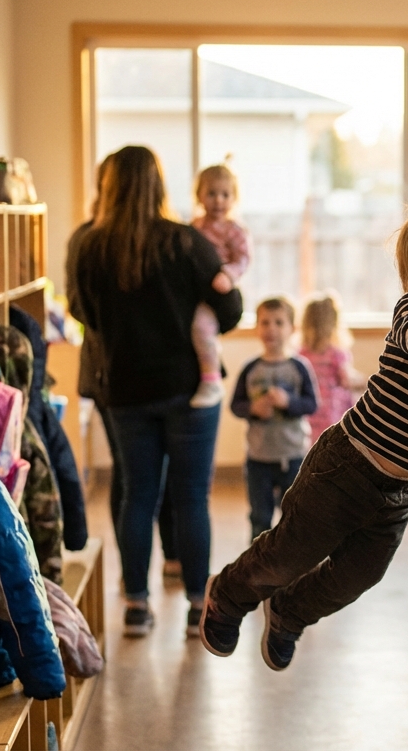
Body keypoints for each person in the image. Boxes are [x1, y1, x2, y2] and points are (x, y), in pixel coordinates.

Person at [200, 201, 408, 672]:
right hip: (348, 466)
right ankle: (228, 594)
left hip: (401, 489)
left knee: (360, 574)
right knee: (290, 553)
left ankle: (289, 613)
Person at [67, 145, 243, 637]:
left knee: (137, 497)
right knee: (191, 498)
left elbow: (82, 312)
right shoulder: (187, 242)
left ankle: (137, 607)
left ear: (109, 186)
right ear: (160, 186)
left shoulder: (89, 246)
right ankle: (194, 607)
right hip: (190, 390)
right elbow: (228, 313)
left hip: (124, 391)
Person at [231, 297, 319, 540]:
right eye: (265, 322)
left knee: (294, 515)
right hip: (258, 458)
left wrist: (288, 402)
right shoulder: (250, 368)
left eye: (279, 322)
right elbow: (235, 405)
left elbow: (312, 404)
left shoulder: (299, 367)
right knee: (260, 516)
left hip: (292, 456)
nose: (271, 328)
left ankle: (292, 564)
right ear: (257, 328)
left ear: (292, 328)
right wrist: (253, 409)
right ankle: (259, 566)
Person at [189, 162, 253, 408]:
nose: (218, 201)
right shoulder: (194, 227)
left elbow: (243, 258)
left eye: (225, 195)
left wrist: (228, 274)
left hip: (216, 290)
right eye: (211, 194)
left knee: (202, 328)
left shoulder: (234, 230)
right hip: (193, 289)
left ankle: (211, 378)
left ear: (234, 198)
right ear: (199, 196)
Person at [299, 292, 361, 446]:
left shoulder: (301, 354)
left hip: (310, 414)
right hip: (332, 413)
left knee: (312, 449)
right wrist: (365, 381)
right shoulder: (336, 354)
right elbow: (346, 380)